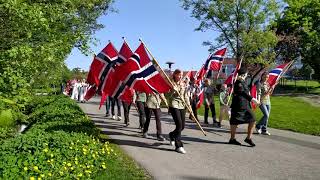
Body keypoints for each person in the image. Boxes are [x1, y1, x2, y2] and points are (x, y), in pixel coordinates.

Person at [229, 66, 260, 147]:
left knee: (253, 119)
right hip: (238, 105)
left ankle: (248, 138)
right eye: (246, 73)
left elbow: (247, 91)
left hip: (246, 105)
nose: (247, 75)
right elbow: (242, 93)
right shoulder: (238, 82)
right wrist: (253, 99)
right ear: (244, 74)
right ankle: (232, 139)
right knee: (234, 122)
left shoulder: (243, 81)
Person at [168, 69, 189, 154]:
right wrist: (173, 90)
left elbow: (186, 96)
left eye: (181, 75)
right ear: (175, 75)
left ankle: (172, 135)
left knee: (182, 126)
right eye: (179, 75)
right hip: (174, 105)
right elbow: (167, 95)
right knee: (179, 125)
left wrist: (189, 107)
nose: (180, 77)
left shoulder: (183, 84)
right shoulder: (170, 83)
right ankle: (179, 146)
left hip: (182, 105)